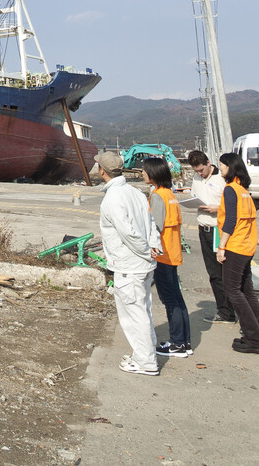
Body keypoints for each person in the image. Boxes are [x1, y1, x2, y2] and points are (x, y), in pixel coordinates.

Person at [95, 150, 162, 376]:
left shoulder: (112, 199)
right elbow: (150, 222)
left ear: (101, 171)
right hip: (144, 264)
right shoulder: (136, 193)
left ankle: (146, 362)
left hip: (129, 264)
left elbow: (128, 234)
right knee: (143, 310)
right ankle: (147, 351)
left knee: (133, 315)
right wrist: (154, 247)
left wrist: (145, 251)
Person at [216, 152, 259, 354]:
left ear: (230, 167)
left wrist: (221, 247)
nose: (220, 168)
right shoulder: (244, 190)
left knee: (232, 290)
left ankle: (254, 339)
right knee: (246, 290)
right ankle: (258, 332)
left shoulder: (230, 190)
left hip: (235, 246)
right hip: (247, 246)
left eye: (222, 166)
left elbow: (230, 221)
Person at [144, 157, 192, 358]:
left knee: (170, 300)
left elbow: (155, 227)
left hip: (162, 255)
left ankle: (177, 343)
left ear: (153, 174)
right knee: (177, 298)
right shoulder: (170, 194)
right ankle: (184, 341)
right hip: (172, 252)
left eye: (145, 171)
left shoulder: (157, 196)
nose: (142, 174)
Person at [186, 150, 235, 325]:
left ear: (208, 163)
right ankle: (223, 310)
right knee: (213, 274)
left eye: (201, 170)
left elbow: (233, 205)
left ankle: (231, 310)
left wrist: (218, 208)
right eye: (196, 171)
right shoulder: (196, 178)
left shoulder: (222, 178)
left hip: (219, 230)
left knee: (226, 272)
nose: (199, 173)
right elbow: (194, 194)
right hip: (203, 228)